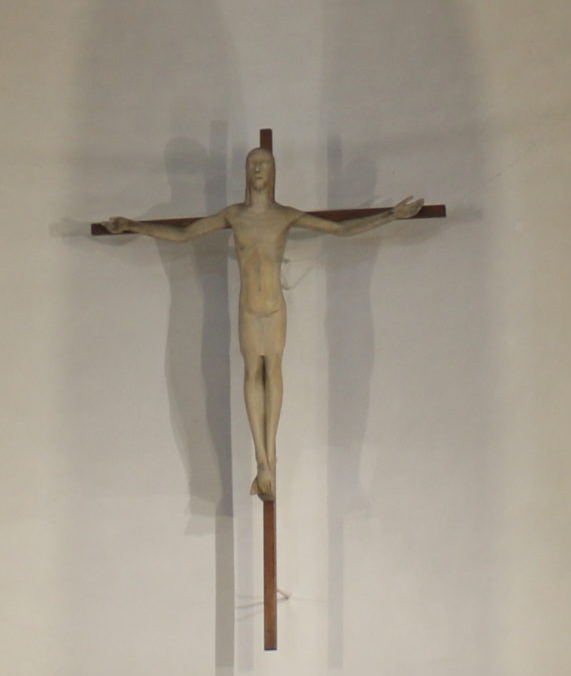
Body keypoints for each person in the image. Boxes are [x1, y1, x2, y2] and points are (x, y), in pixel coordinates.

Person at [101, 147, 422, 501]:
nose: (258, 169)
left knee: (274, 372)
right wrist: (134, 226)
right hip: (249, 310)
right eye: (252, 164)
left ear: (273, 172)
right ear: (245, 171)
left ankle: (272, 457)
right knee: (253, 373)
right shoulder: (233, 215)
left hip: (274, 309)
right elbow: (185, 234)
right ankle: (262, 460)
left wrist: (391, 215)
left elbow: (340, 229)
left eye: (264, 164)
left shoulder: (285, 216)